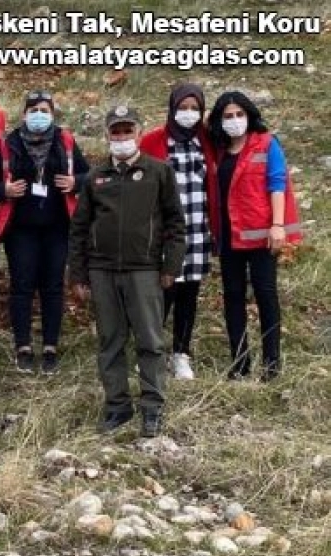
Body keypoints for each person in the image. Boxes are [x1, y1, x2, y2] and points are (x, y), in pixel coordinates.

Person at [68, 105, 186, 437]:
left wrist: (171, 266)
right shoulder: (95, 177)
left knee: (150, 341)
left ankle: (152, 407)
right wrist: (77, 275)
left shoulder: (159, 172)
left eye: (127, 131)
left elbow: (176, 224)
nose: (121, 137)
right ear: (107, 135)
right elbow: (79, 228)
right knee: (110, 341)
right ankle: (117, 406)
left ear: (139, 132)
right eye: (115, 132)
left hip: (145, 270)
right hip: (102, 271)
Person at [0, 90, 89, 375]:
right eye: (33, 110)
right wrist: (3, 190)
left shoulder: (65, 141)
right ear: (24, 114)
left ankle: (51, 347)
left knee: (53, 286)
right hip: (20, 229)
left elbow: (88, 174)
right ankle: (23, 347)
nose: (39, 115)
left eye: (44, 110)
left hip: (57, 227)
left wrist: (75, 182)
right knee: (22, 286)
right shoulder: (10, 143)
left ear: (52, 114)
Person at [206, 91, 302, 381]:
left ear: (249, 115)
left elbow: (277, 183)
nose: (234, 120)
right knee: (233, 297)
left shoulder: (267, 143)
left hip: (262, 236)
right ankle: (240, 363)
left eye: (239, 114)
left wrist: (278, 225)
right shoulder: (219, 148)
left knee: (266, 295)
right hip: (230, 237)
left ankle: (272, 364)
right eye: (228, 116)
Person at [138, 83, 216, 380]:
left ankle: (181, 353)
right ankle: (151, 351)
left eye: (195, 108)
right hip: (166, 232)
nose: (189, 113)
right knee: (162, 293)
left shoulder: (207, 140)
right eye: (183, 108)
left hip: (197, 230)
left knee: (188, 294)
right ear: (172, 109)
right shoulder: (154, 140)